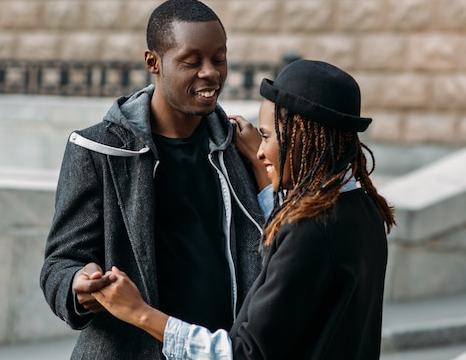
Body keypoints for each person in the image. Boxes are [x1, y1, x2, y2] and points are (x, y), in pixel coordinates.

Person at [92, 59, 397, 360]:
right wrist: (264, 173)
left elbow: (244, 354)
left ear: (303, 137)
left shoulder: (311, 231)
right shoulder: (364, 210)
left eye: (267, 135)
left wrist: (140, 313)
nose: (261, 149)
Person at [39, 0, 268, 360]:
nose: (210, 73)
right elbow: (59, 263)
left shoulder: (237, 146)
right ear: (153, 63)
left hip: (220, 350)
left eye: (219, 58)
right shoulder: (99, 150)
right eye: (191, 62)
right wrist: (76, 285)